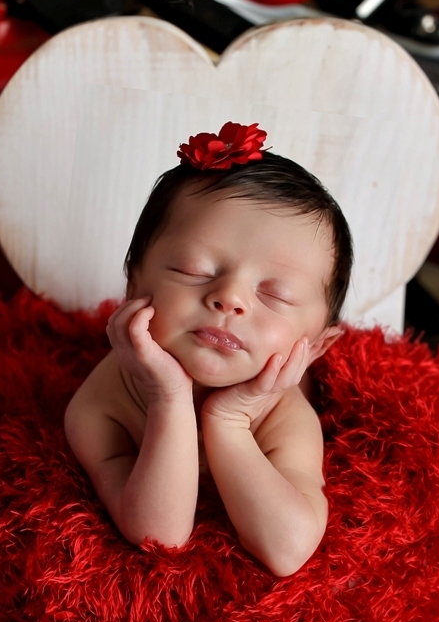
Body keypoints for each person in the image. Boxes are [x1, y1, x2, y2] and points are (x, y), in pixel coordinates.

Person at [64, 122, 353, 577]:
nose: (230, 299)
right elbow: (160, 535)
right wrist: (168, 398)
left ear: (315, 347)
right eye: (193, 269)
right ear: (132, 284)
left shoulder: (284, 416)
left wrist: (230, 420)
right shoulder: (103, 403)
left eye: (275, 295)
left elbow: (288, 549)